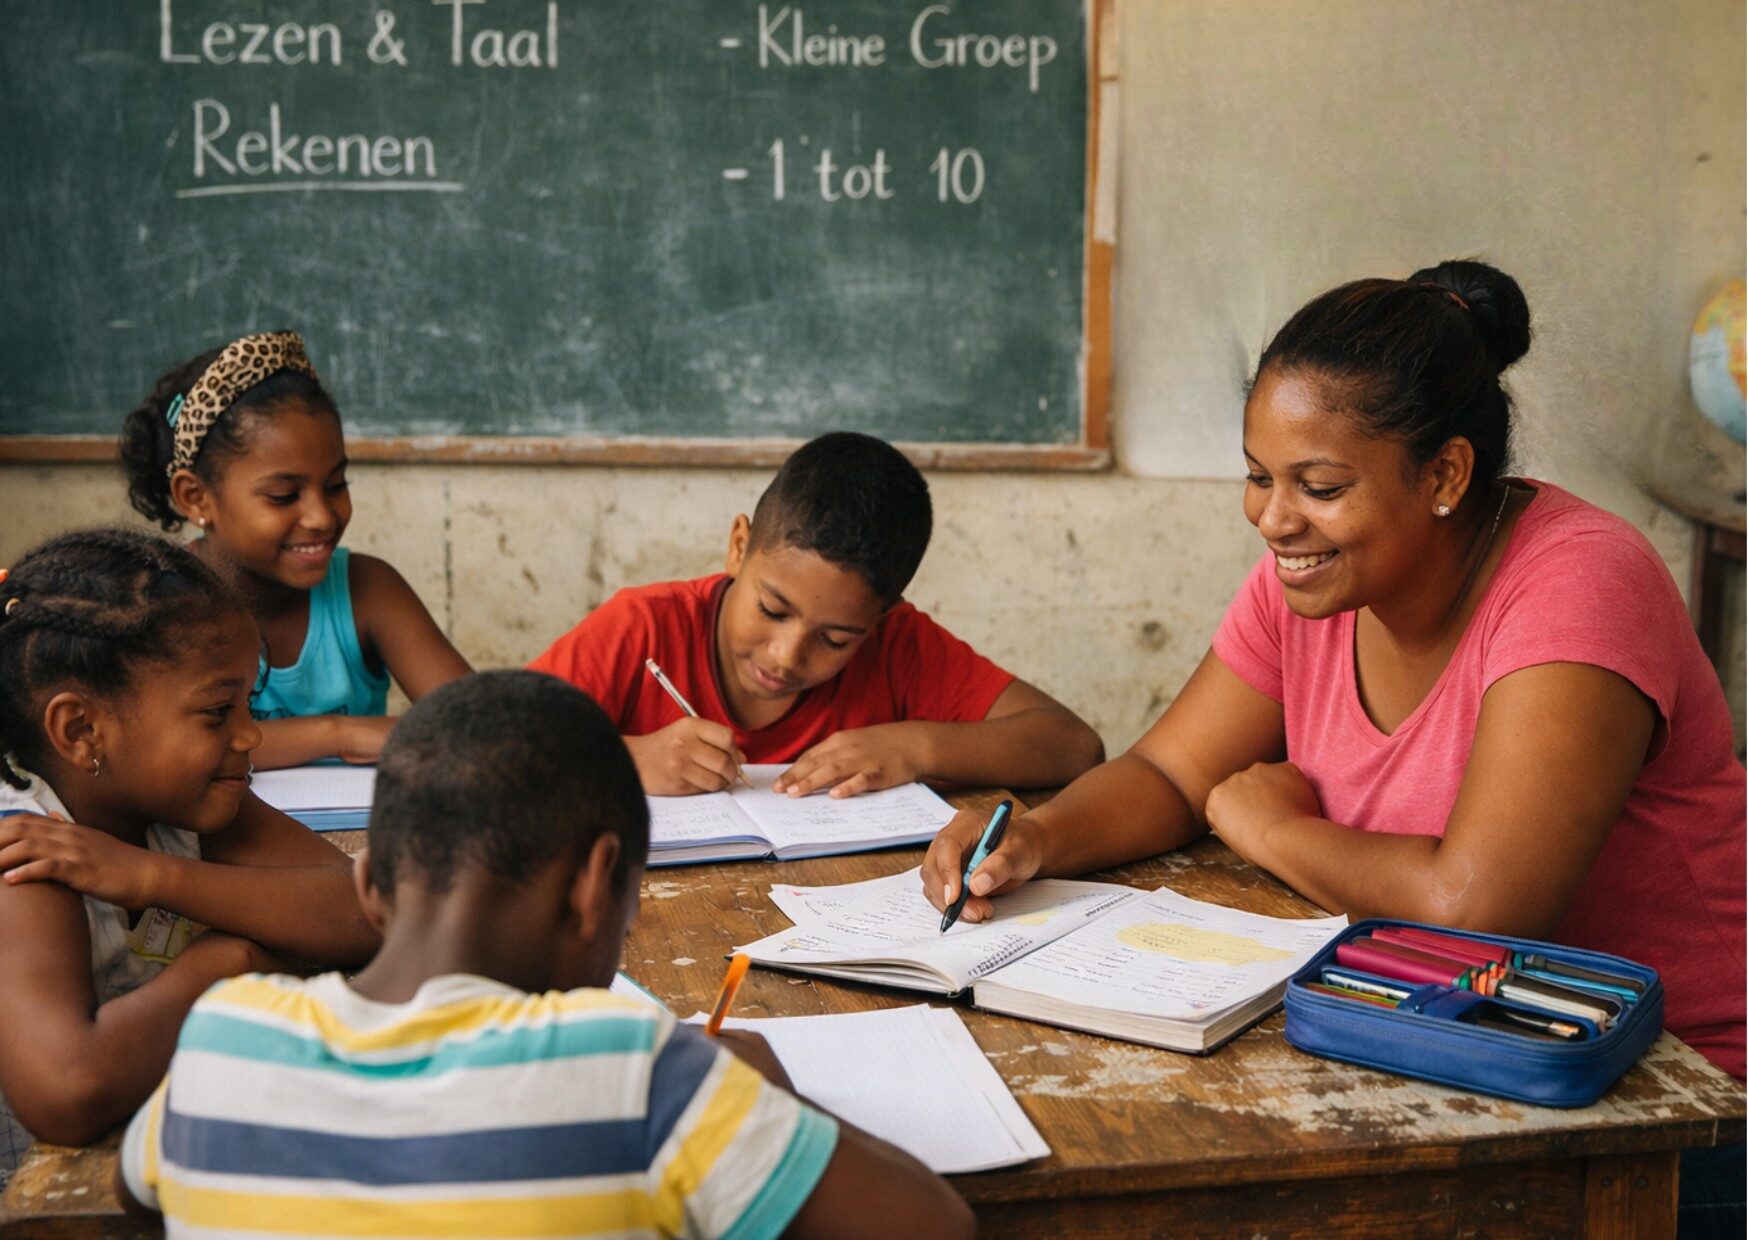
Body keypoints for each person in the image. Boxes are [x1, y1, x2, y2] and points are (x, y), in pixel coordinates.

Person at [922, 260, 1746, 1086]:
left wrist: (1277, 833)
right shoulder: (1314, 581)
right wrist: (1036, 836)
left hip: (1682, 1090)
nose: (1274, 520)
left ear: (1445, 475)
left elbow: (1479, 910)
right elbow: (1172, 772)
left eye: (1319, 486)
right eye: (1257, 476)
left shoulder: (1579, 584)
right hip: (1456, 1038)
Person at [117, 670, 974, 1240]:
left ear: (370, 883)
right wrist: (765, 1101)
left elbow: (133, 1190)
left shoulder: (219, 1042)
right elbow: (936, 1224)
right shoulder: (640, 1075)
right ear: (597, 884)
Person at [0, 529, 377, 1187]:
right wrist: (233, 961)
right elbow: (69, 1090)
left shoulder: (179, 806)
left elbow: (367, 909)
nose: (250, 734)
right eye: (216, 712)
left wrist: (158, 876)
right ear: (81, 730)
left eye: (248, 704)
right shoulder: (27, 851)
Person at [530, 431, 1104, 797]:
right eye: (772, 609)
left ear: (882, 618)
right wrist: (623, 760)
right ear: (738, 546)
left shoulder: (897, 648)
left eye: (836, 639)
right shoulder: (646, 627)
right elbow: (484, 749)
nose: (787, 655)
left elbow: (1073, 745)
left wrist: (912, 748)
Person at [120, 331, 471, 769]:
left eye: (336, 485)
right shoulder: (163, 603)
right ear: (196, 498)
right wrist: (339, 733)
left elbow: (476, 724)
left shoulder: (367, 590)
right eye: (284, 495)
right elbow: (167, 750)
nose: (322, 517)